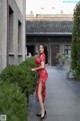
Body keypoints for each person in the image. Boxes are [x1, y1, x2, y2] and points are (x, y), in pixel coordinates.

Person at [31, 44, 48, 119]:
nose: (40, 49)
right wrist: (37, 70)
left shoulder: (42, 56)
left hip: (42, 75)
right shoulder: (40, 55)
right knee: (40, 92)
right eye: (39, 48)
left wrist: (35, 69)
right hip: (40, 74)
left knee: (39, 93)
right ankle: (41, 111)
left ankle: (43, 111)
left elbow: (42, 66)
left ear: (44, 49)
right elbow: (40, 66)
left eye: (42, 48)